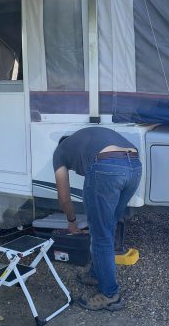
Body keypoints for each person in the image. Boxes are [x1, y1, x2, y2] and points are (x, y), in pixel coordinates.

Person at [53, 127, 141, 311]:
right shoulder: (84, 139)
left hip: (107, 167)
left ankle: (110, 296)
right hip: (134, 165)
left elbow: (63, 197)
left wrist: (71, 221)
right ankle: (96, 274)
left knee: (101, 234)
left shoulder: (59, 152)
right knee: (107, 225)